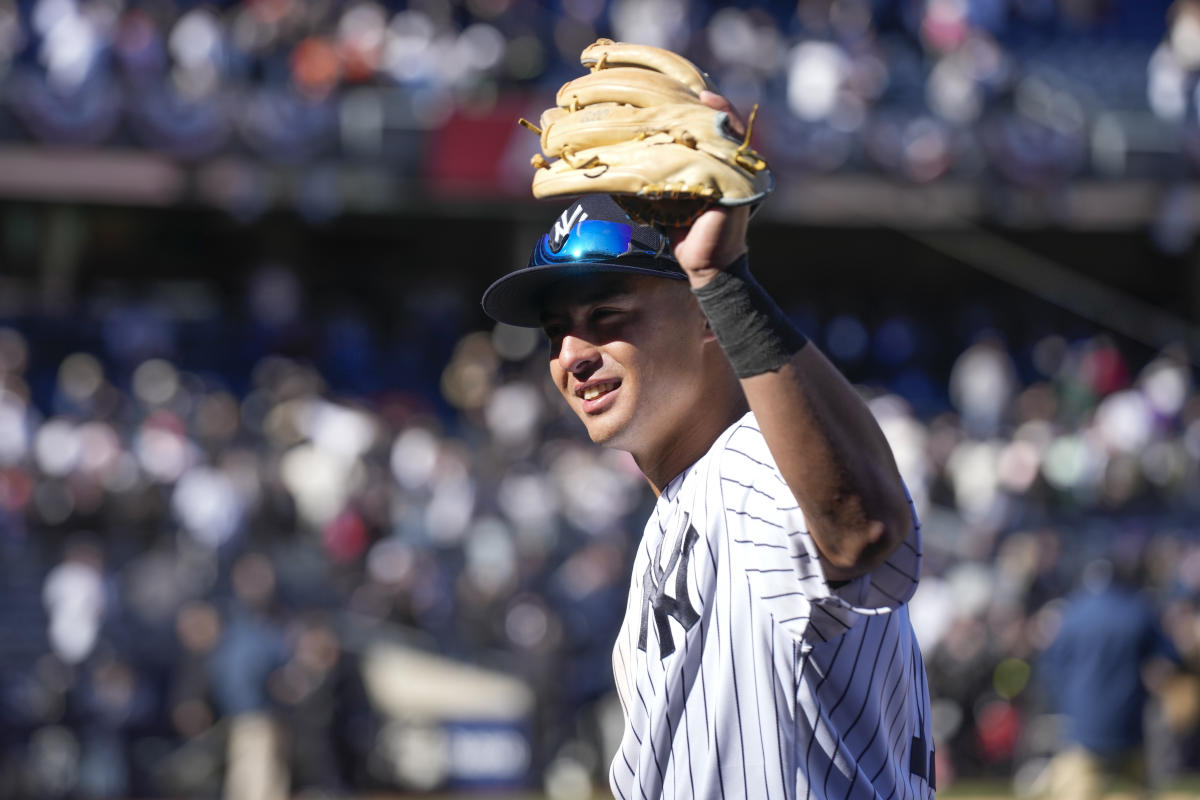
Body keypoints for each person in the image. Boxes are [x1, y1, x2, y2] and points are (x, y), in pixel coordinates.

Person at [481, 92, 934, 800]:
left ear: (706, 322)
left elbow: (860, 528)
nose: (573, 353)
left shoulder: (748, 462)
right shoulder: (683, 504)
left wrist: (725, 280)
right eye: (555, 332)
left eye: (607, 317)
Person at [1036, 558, 1181, 800]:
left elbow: (1050, 667)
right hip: (1129, 722)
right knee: (1139, 790)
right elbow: (1168, 658)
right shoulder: (1138, 609)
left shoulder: (1073, 611)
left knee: (1076, 788)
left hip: (1082, 724)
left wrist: (1066, 702)